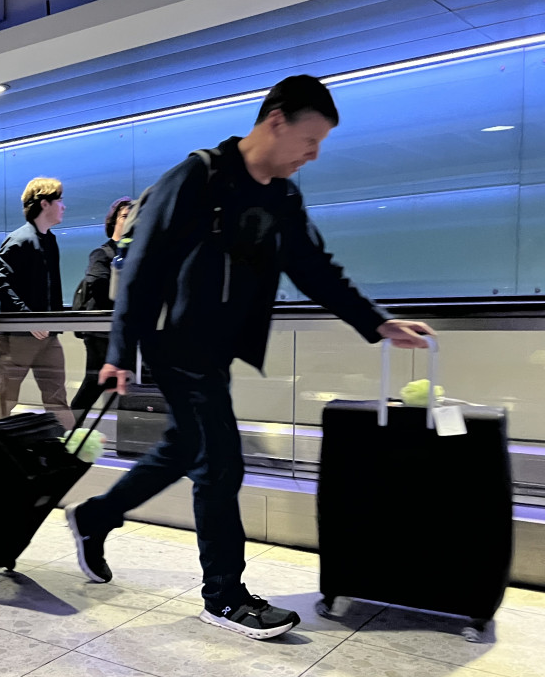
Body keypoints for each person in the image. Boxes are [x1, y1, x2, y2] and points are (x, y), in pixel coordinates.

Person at [65, 75, 434, 640]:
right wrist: (121, 349)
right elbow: (142, 265)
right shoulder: (199, 174)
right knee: (220, 463)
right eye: (310, 140)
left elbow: (314, 267)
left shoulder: (281, 196)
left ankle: (95, 517)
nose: (313, 155)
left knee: (184, 446)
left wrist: (375, 322)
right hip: (174, 343)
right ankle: (224, 596)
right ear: (276, 121)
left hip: (215, 347)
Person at [0, 177, 75, 430]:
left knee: (57, 398)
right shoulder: (18, 240)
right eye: (59, 200)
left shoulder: (50, 240)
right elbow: (1, 285)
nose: (64, 206)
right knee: (8, 398)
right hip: (20, 336)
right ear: (45, 203)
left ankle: (70, 451)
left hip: (46, 335)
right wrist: (29, 318)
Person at [70, 197, 133, 417]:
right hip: (100, 333)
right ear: (114, 222)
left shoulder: (136, 254)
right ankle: (66, 432)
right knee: (94, 382)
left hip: (120, 331)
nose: (130, 221)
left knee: (111, 383)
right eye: (125, 216)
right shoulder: (102, 254)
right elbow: (99, 286)